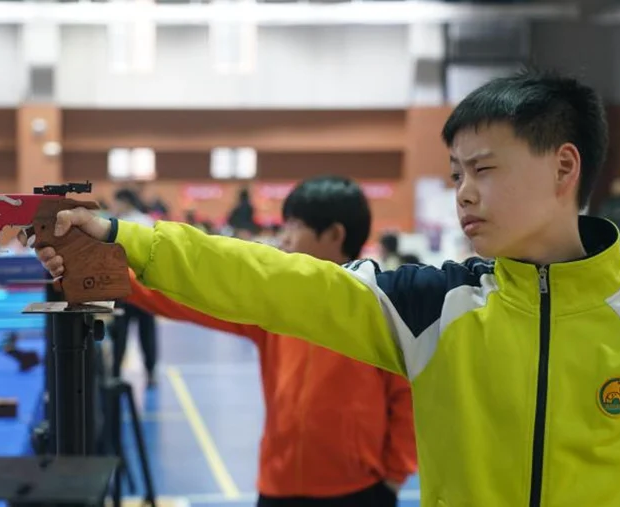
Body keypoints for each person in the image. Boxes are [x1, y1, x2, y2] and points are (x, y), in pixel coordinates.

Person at [29, 70, 620, 506]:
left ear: (564, 166)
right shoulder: (432, 306)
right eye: (454, 175)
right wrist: (130, 238)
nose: (465, 194)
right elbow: (270, 280)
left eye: (484, 168)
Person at [124, 176, 416, 507]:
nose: (283, 239)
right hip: (279, 484)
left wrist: (394, 476)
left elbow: (405, 398)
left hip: (359, 488)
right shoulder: (275, 306)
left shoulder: (375, 309)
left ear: (334, 235)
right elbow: (192, 298)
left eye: (294, 227)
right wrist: (118, 279)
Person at [108, 188, 159, 385]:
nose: (114, 206)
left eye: (116, 202)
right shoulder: (113, 221)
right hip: (124, 289)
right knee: (120, 334)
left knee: (145, 334)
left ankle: (148, 371)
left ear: (125, 202)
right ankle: (116, 371)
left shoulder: (140, 222)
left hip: (140, 287)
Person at [599, 176, 620, 262]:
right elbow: (603, 216)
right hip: (610, 236)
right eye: (615, 186)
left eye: (619, 186)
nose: (616, 188)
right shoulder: (608, 202)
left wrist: (615, 215)